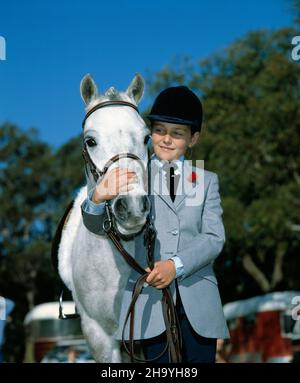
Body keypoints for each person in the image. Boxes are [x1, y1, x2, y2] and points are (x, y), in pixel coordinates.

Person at [81, 86, 230, 363]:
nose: (166, 140)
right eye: (160, 131)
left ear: (193, 139)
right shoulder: (135, 174)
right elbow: (98, 227)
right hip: (150, 303)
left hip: (199, 302)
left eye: (178, 133)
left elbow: (213, 237)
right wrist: (98, 197)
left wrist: (175, 265)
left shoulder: (206, 180)